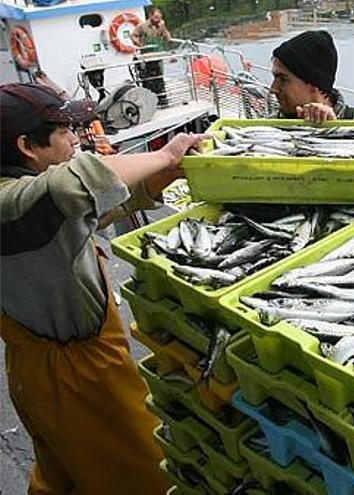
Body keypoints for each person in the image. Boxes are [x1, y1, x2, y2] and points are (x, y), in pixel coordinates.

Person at [0, 83, 204, 494]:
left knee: (66, 476)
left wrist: (151, 184)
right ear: (27, 146)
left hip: (46, 368)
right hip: (75, 379)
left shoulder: (23, 196)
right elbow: (67, 190)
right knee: (146, 475)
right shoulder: (12, 206)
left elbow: (77, 218)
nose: (76, 139)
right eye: (63, 132)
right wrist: (165, 153)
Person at [270, 30, 354, 122]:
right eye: (275, 78)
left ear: (314, 85)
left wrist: (334, 130)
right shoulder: (266, 128)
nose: (273, 89)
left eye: (283, 79)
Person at [131, 7, 171, 106]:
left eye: (159, 17)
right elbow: (133, 35)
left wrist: (163, 27)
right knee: (149, 77)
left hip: (157, 54)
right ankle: (151, 99)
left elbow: (168, 38)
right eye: (156, 17)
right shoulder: (142, 26)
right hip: (147, 55)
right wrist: (137, 42)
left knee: (159, 76)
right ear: (151, 16)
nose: (158, 19)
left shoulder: (160, 26)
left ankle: (162, 98)